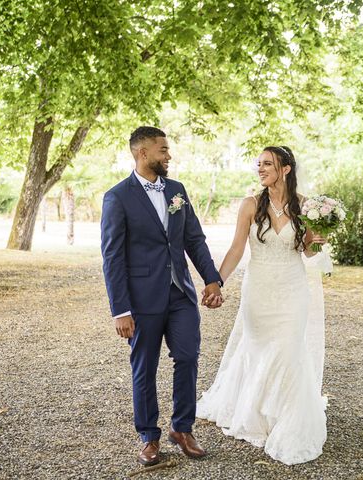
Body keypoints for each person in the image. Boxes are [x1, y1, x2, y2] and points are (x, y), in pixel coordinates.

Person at [196, 145, 328, 465]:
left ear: (285, 169)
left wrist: (322, 237)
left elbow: (309, 252)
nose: (261, 169)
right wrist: (216, 282)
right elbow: (236, 249)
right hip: (259, 291)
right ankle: (258, 413)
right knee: (259, 351)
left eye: (267, 164)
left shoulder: (306, 206)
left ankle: (287, 418)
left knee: (287, 351)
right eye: (258, 164)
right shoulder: (250, 205)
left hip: (293, 291)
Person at [100, 126, 224, 467]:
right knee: (145, 368)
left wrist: (212, 280)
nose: (168, 156)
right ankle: (149, 437)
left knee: (187, 357)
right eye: (163, 150)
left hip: (180, 294)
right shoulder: (118, 197)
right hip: (141, 300)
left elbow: (194, 239)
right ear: (143, 153)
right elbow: (112, 257)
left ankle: (182, 429)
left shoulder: (176, 190)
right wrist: (120, 309)